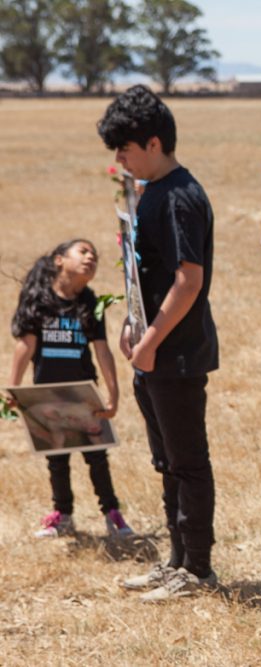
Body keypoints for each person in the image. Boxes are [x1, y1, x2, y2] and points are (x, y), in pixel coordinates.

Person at [97, 84, 220, 602]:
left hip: (177, 352)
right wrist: (132, 324)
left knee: (188, 461)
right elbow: (149, 274)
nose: (120, 159)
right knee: (165, 461)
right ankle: (175, 561)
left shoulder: (179, 198)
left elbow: (188, 280)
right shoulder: (150, 194)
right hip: (153, 349)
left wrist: (149, 340)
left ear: (152, 143)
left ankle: (198, 569)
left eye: (124, 148)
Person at [8, 239, 133, 539]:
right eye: (83, 252)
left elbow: (102, 351)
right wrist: (13, 388)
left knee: (96, 456)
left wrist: (113, 395)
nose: (91, 258)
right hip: (48, 392)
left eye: (95, 255)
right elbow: (25, 346)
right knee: (57, 457)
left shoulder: (91, 302)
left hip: (82, 393)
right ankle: (63, 515)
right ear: (59, 260)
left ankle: (112, 513)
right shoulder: (38, 299)